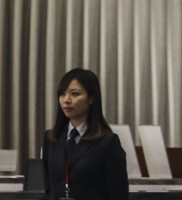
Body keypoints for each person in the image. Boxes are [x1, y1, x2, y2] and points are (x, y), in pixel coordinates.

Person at [42, 68, 128, 200]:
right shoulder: (51, 138)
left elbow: (118, 194)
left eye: (75, 94)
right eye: (62, 94)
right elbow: (49, 189)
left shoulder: (108, 142)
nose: (66, 100)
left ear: (91, 98)